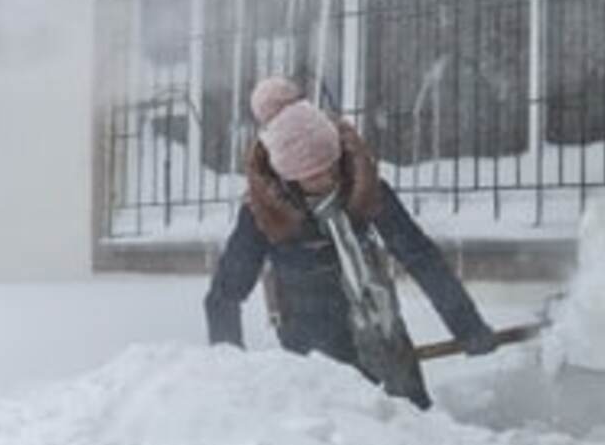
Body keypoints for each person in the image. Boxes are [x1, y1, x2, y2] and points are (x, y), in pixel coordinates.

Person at [205, 77, 499, 409]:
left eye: (328, 168)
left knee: (415, 431)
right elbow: (225, 295)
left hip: (383, 336)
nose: (325, 181)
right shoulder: (263, 212)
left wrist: (467, 326)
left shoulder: (362, 186)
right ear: (286, 175)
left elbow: (420, 256)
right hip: (313, 361)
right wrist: (229, 378)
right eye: (311, 175)